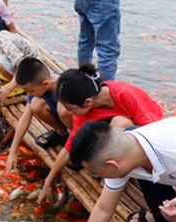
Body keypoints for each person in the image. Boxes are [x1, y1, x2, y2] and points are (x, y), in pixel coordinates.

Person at [36, 63, 163, 203]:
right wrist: (48, 181)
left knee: (119, 122)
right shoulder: (84, 112)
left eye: (72, 109)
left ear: (87, 102)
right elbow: (68, 149)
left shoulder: (125, 95)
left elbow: (153, 134)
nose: (71, 113)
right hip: (121, 136)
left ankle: (123, 170)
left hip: (148, 132)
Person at [6, 58, 69, 173]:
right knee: (35, 103)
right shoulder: (40, 88)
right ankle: (62, 133)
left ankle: (79, 143)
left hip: (81, 121)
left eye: (31, 91)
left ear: (45, 84)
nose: (29, 94)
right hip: (64, 117)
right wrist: (13, 151)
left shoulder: (67, 87)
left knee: (64, 109)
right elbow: (24, 120)